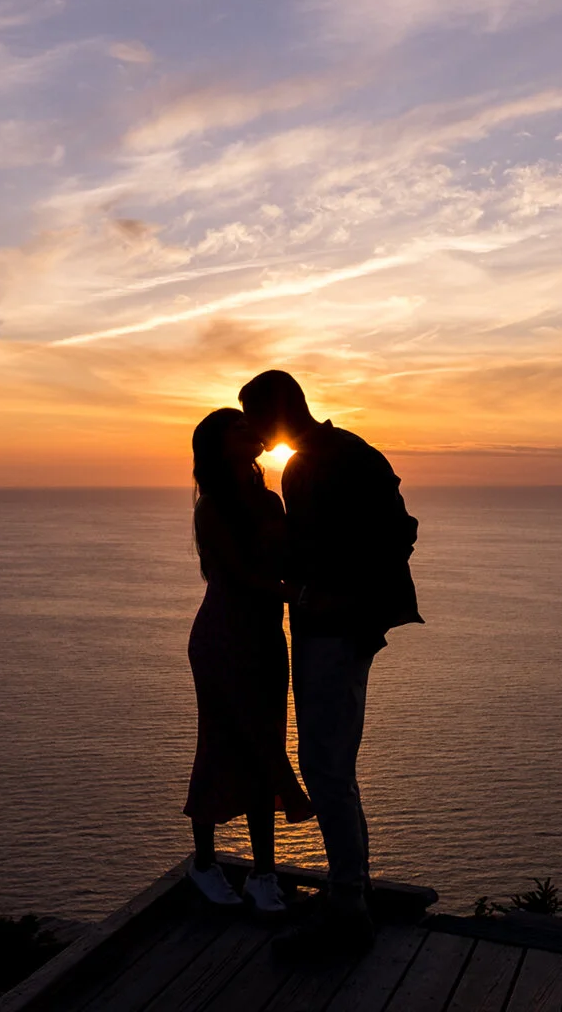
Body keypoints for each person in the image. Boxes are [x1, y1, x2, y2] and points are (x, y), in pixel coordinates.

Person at [239, 371, 420, 959]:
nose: (257, 435)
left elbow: (397, 534)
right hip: (325, 625)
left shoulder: (343, 458)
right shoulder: (315, 461)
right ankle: (353, 892)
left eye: (257, 420)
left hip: (336, 629)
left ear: (279, 409)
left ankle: (348, 911)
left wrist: (345, 601)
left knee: (324, 768)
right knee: (332, 764)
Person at [183, 408, 315, 914]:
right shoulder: (213, 506)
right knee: (224, 744)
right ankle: (204, 865)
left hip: (264, 638)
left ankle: (264, 874)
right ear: (218, 445)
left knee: (265, 743)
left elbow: (289, 560)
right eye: (238, 426)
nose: (251, 428)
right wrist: (300, 597)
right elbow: (238, 576)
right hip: (222, 638)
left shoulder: (269, 499)